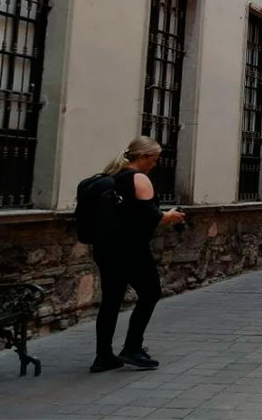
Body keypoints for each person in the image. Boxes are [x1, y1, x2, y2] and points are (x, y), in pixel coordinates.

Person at [91, 136, 186, 373]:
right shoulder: (139, 178)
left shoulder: (113, 176)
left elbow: (130, 211)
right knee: (151, 293)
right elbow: (149, 215)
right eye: (154, 160)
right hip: (132, 249)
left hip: (106, 247)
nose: (155, 164)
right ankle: (132, 347)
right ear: (143, 157)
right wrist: (170, 217)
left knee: (111, 301)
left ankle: (103, 356)